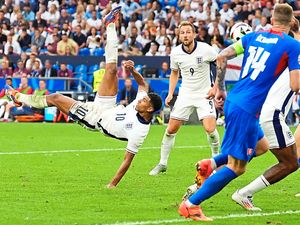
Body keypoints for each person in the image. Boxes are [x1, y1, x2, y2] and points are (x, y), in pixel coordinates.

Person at [6, 7, 162, 188]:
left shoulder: (140, 131)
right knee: (112, 69)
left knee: (56, 97)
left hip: (95, 119)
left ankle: (19, 98)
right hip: (109, 107)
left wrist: (112, 184)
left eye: (143, 101)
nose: (140, 100)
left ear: (149, 109)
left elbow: (127, 160)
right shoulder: (141, 104)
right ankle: (110, 24)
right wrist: (133, 71)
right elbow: (143, 85)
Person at [178, 4, 300, 221]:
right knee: (237, 167)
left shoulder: (254, 35)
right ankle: (191, 204)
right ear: (291, 23)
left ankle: (212, 163)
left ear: (271, 19)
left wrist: (220, 87)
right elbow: (294, 85)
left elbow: (222, 56)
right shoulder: (291, 44)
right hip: (248, 107)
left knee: (261, 147)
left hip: (237, 100)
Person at [149, 21, 221, 176]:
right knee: (170, 129)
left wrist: (215, 88)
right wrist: (170, 93)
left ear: (194, 34)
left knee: (210, 129)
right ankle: (162, 163)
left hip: (204, 94)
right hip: (185, 94)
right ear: (179, 35)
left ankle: (216, 160)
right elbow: (174, 73)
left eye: (188, 32)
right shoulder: (175, 53)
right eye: (183, 33)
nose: (186, 35)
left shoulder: (206, 49)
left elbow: (220, 65)